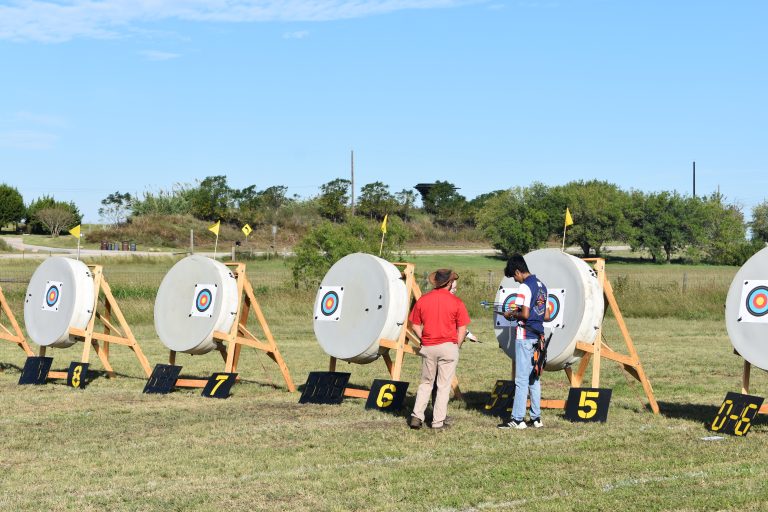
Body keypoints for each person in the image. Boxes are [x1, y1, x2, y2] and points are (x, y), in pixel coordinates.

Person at [408, 268, 471, 431]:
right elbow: (462, 329)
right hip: (448, 347)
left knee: (426, 383)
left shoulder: (423, 300)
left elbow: (414, 324)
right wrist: (456, 345)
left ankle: (417, 416)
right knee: (443, 386)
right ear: (449, 283)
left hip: (428, 346)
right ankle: (437, 422)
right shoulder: (456, 302)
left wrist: (423, 338)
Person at [498, 254, 548, 430]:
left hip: (526, 336)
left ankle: (518, 419)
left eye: (514, 276)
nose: (516, 280)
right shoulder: (542, 286)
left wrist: (511, 314)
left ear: (518, 271)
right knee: (534, 377)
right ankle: (536, 418)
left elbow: (525, 315)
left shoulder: (525, 287)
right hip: (538, 337)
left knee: (521, 380)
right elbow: (547, 315)